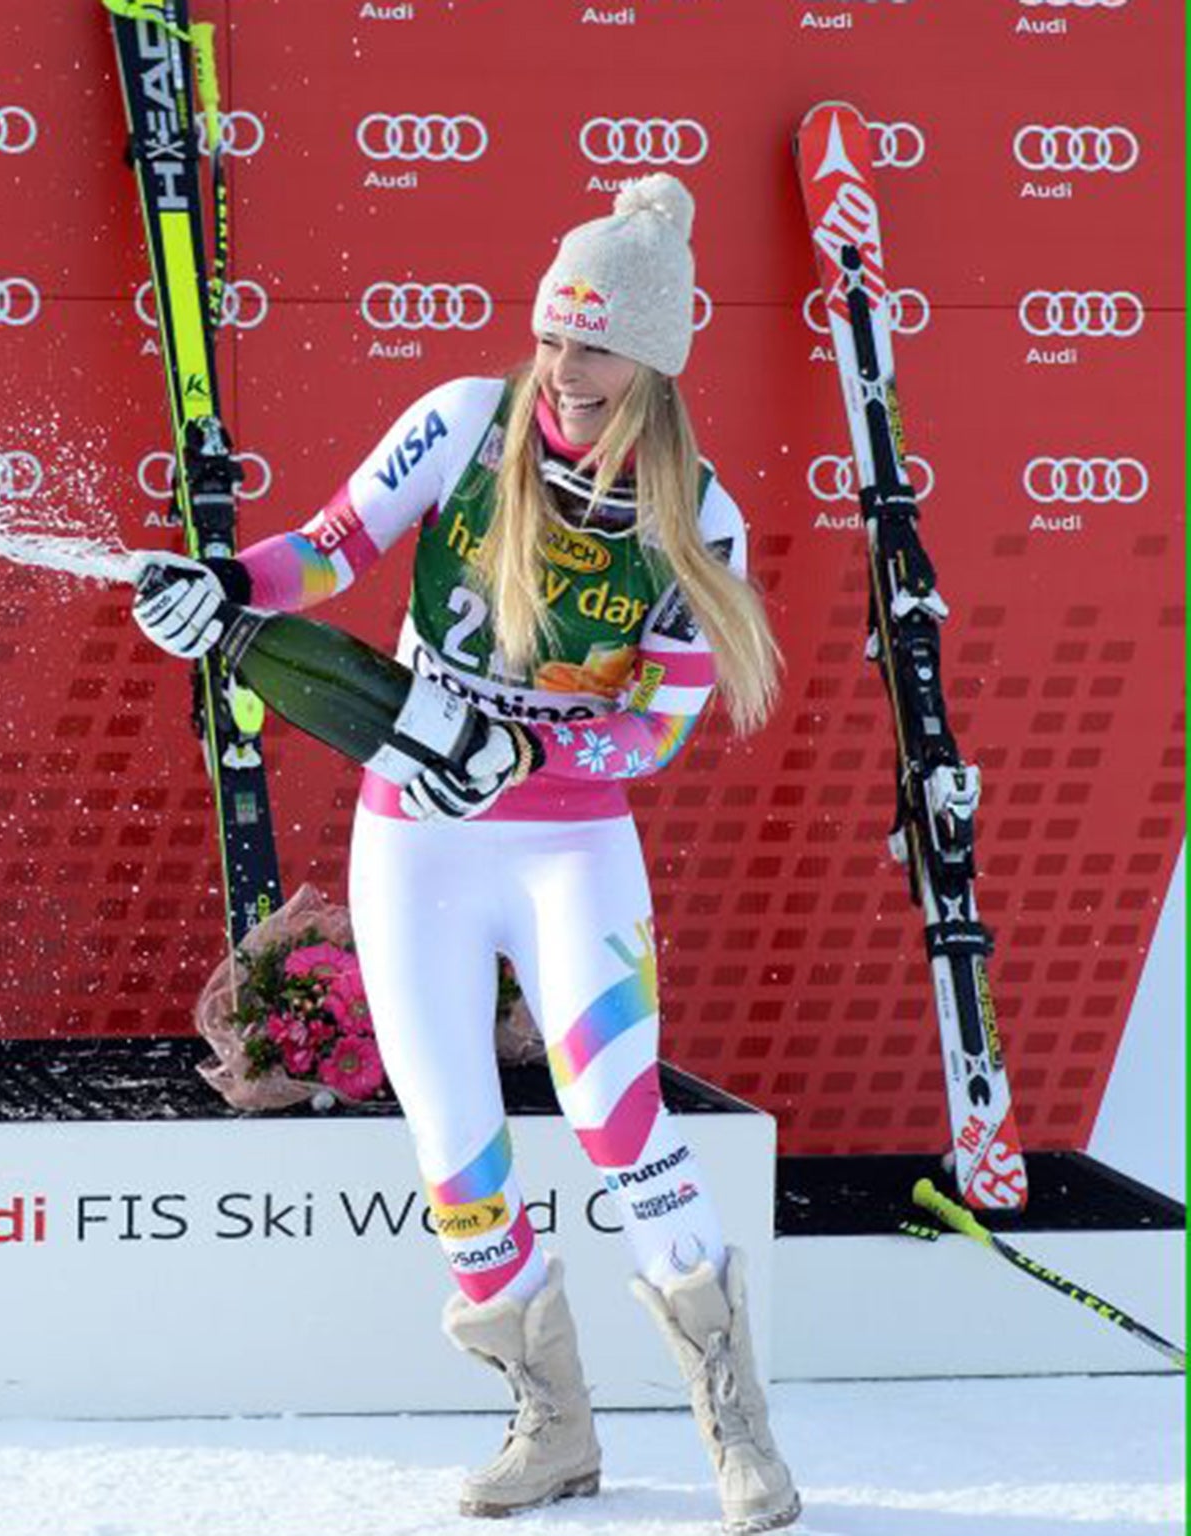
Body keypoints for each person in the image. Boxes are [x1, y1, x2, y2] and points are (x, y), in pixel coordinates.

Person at [131, 175, 801, 1534]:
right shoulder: (461, 421)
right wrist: (222, 583)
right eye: (553, 331)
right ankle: (550, 1427)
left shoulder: (699, 517)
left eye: (598, 341)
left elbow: (658, 730)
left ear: (658, 357)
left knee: (620, 1121)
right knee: (454, 1144)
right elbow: (328, 551)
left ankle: (736, 1422)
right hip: (417, 843)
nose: (566, 364)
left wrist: (531, 759)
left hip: (569, 855)